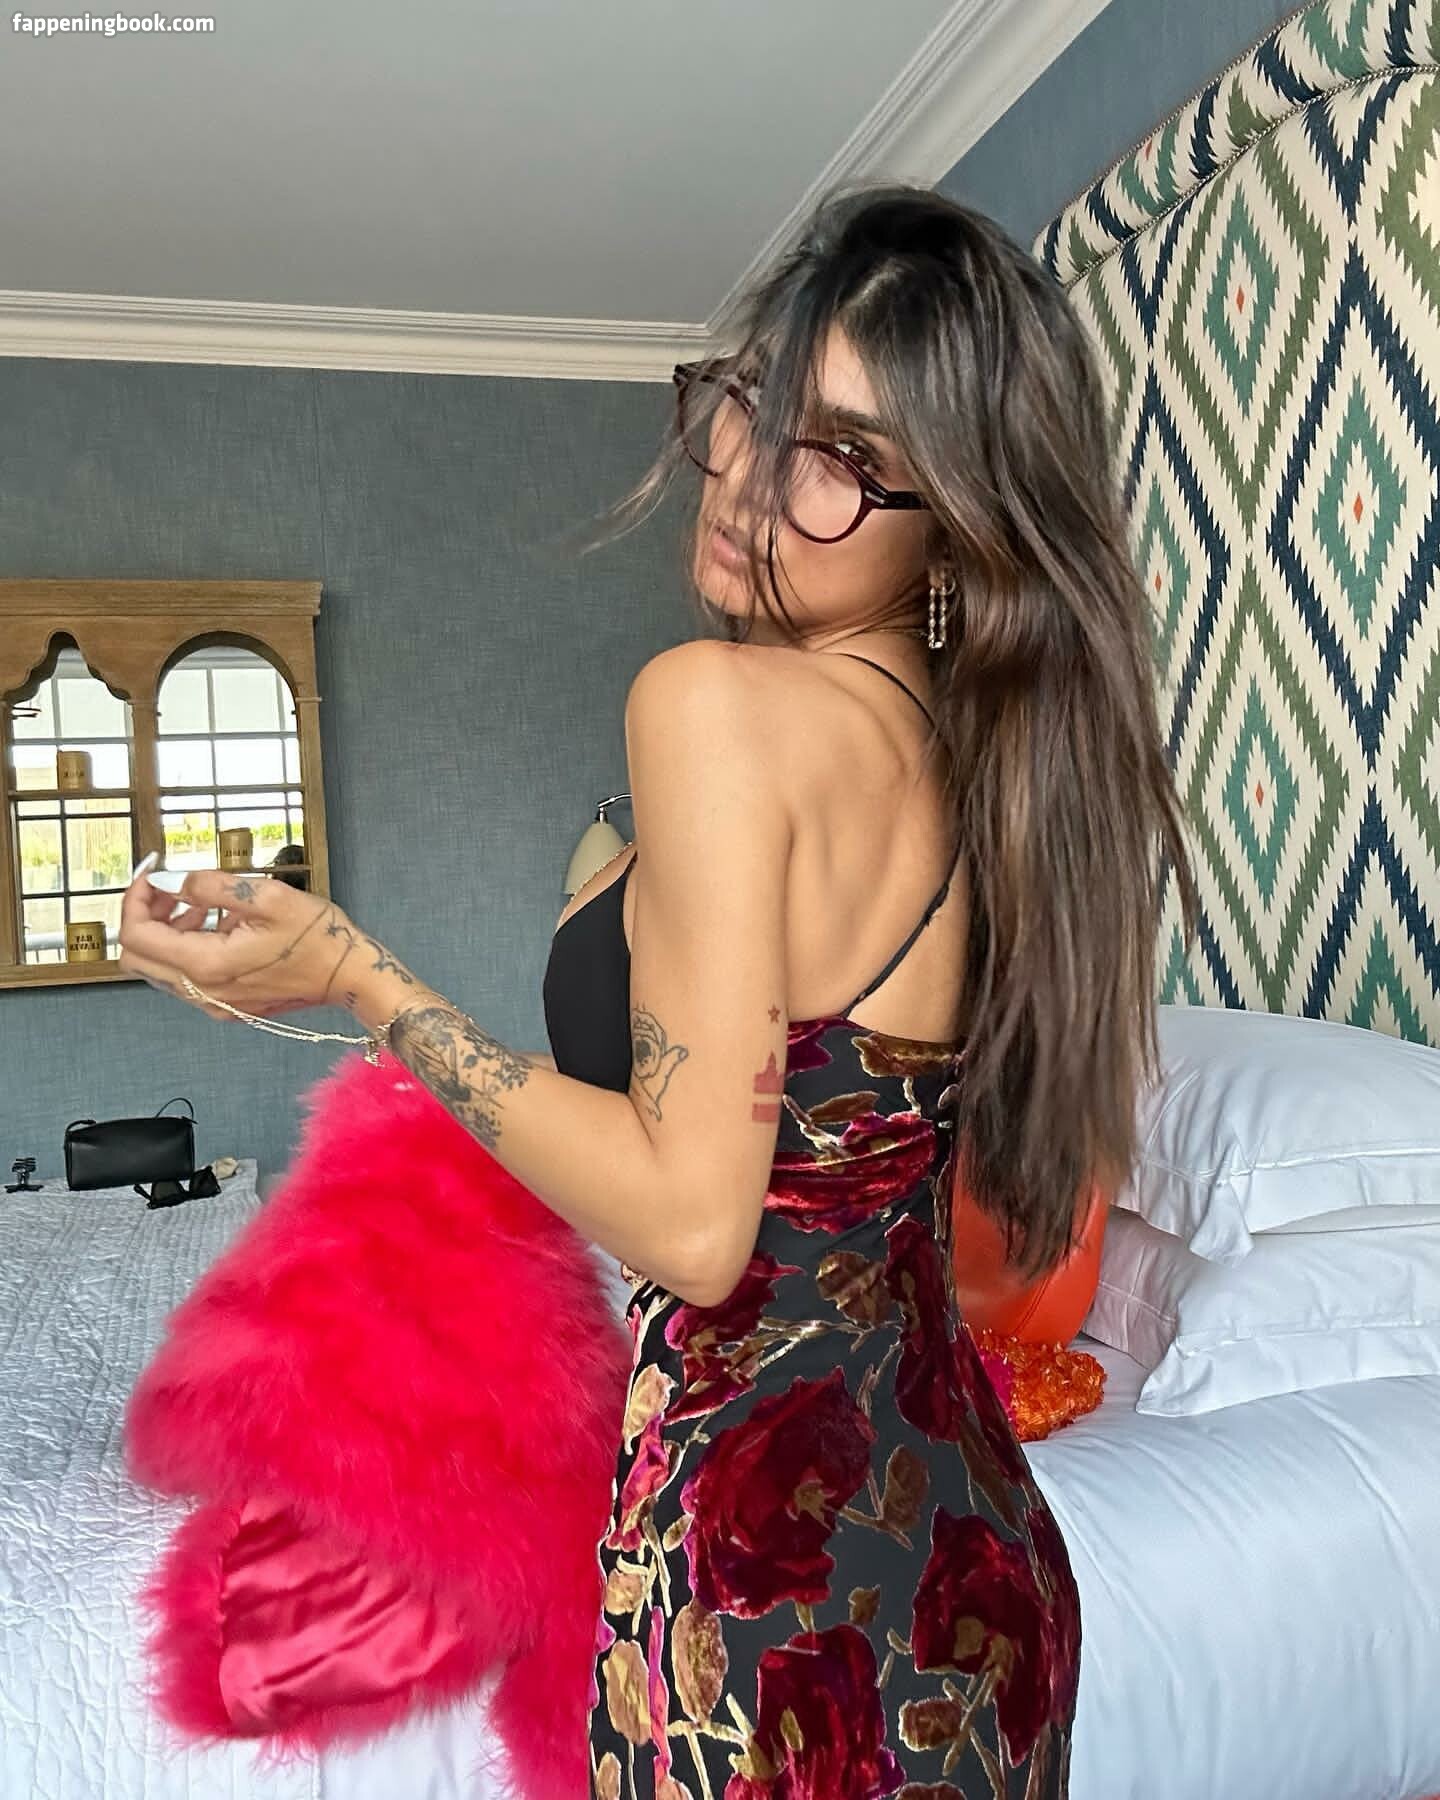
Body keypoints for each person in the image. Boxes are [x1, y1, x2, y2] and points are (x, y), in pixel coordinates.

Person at [117, 181, 1198, 1797]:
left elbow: (694, 1229)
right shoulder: (980, 765)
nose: (752, 473)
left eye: (840, 456)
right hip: (970, 1569)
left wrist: (357, 976)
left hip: (773, 1595)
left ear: (955, 522)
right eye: (754, 401)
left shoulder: (719, 708)